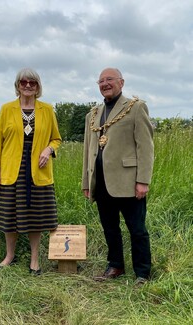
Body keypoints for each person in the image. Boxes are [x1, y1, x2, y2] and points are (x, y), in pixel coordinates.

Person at [82, 68, 154, 285]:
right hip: (101, 183)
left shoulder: (136, 107)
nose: (105, 83)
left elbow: (145, 147)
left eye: (109, 79)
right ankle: (115, 266)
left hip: (129, 183)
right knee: (110, 227)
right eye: (101, 81)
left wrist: (143, 181)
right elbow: (88, 150)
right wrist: (87, 183)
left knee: (137, 230)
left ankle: (142, 272)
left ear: (121, 83)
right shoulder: (92, 114)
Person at [0, 68, 61, 274]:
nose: (28, 85)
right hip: (12, 171)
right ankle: (10, 255)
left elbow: (56, 138)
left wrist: (49, 149)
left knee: (35, 216)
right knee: (9, 216)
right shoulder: (7, 109)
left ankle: (35, 259)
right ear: (17, 85)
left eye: (32, 83)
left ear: (38, 87)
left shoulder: (47, 110)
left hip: (38, 171)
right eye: (23, 82)